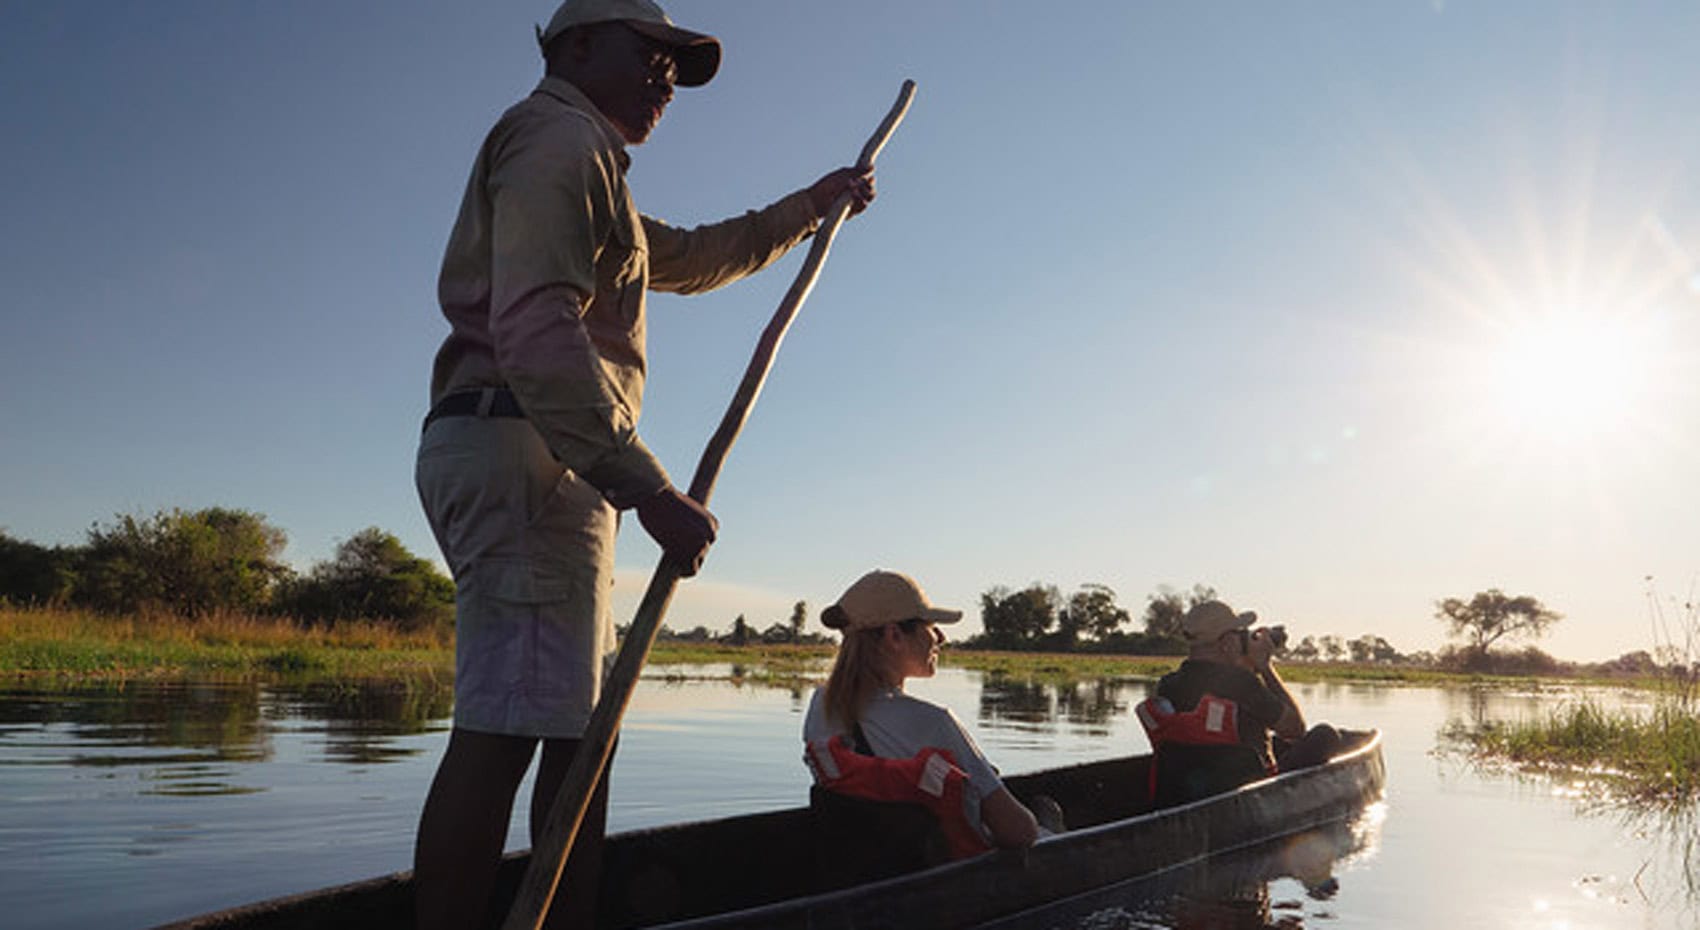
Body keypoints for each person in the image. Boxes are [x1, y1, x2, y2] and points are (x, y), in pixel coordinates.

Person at [411, 1, 876, 927]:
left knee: (575, 735)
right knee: (511, 734)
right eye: (650, 53)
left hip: (532, 451)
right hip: (536, 450)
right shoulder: (557, 142)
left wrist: (810, 208)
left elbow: (699, 254)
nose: (666, 77)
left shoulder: (593, 173)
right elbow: (538, 327)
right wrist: (648, 486)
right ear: (577, 46)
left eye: (676, 63)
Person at [802, 570, 1042, 882]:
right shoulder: (935, 724)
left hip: (859, 876)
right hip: (945, 881)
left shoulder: (820, 708)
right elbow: (1019, 832)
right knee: (1042, 815)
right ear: (894, 636)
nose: (940, 638)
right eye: (930, 626)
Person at [1138, 600, 1342, 808]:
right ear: (1226, 642)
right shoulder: (1240, 683)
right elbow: (1295, 729)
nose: (1244, 637)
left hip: (1183, 792)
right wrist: (1265, 667)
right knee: (1325, 735)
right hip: (1247, 795)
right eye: (1239, 633)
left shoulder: (1168, 685)